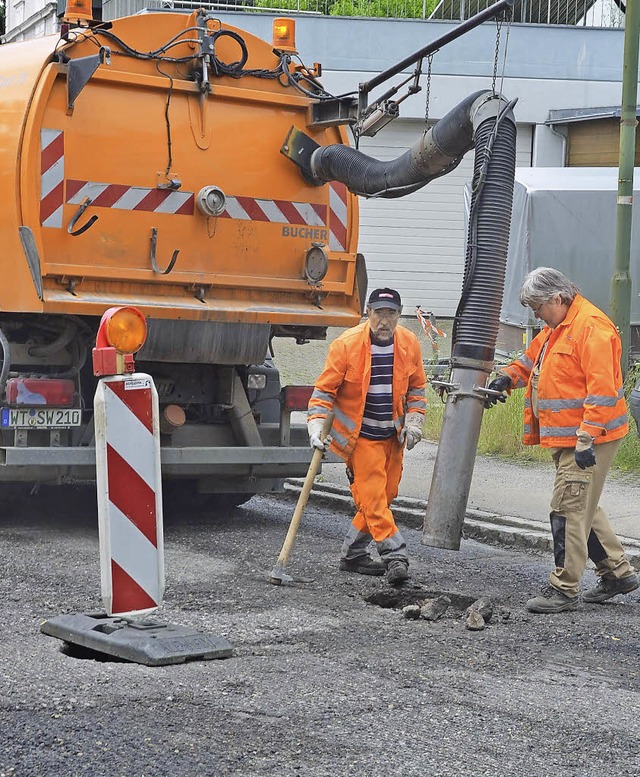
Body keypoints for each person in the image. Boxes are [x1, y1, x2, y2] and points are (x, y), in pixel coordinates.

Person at [487, 267, 638, 613]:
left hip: (588, 438)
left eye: (538, 307)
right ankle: (617, 573)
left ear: (558, 298)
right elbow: (530, 361)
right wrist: (506, 379)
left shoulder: (591, 328)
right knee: (582, 506)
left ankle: (564, 588)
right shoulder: (558, 327)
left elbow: (602, 391)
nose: (536, 315)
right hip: (574, 437)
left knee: (568, 510)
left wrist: (585, 439)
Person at [307, 288, 427, 586]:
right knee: (373, 499)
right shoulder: (345, 346)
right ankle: (395, 555)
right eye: (378, 313)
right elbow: (323, 393)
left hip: (392, 436)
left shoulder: (409, 343)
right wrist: (315, 426)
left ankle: (353, 554)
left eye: (391, 314)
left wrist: (414, 423)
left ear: (400, 315)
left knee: (385, 496)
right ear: (368, 314)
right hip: (360, 438)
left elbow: (417, 389)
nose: (384, 321)